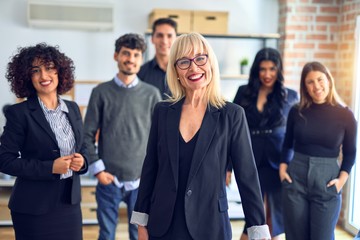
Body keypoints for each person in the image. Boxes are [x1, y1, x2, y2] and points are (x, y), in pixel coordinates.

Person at [130, 32, 271, 240]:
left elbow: (247, 176)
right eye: (184, 62)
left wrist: (258, 230)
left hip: (210, 225)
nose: (194, 68)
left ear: (210, 63)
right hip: (163, 225)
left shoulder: (231, 114)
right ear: (176, 70)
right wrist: (142, 221)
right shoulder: (163, 111)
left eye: (200, 58)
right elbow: (151, 166)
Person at [0, 43, 88, 240]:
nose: (44, 76)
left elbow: (83, 147)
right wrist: (49, 167)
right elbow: (5, 160)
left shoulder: (73, 109)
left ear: (59, 71)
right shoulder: (19, 113)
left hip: (69, 204)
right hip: (33, 207)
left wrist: (82, 162)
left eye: (49, 68)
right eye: (35, 70)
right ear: (27, 77)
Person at [83, 33, 161, 240]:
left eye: (136, 55)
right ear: (116, 56)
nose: (131, 59)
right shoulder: (100, 92)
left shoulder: (152, 94)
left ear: (141, 59)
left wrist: (152, 174)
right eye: (126, 53)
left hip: (141, 182)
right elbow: (87, 135)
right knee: (106, 235)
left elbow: (160, 140)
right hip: (109, 180)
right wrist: (98, 171)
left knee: (139, 235)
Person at [279, 61, 357, 240]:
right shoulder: (296, 111)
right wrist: (283, 170)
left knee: (322, 237)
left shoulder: (345, 115)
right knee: (296, 236)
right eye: (310, 82)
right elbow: (287, 143)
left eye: (320, 80)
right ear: (305, 86)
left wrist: (341, 182)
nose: (316, 86)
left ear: (329, 80)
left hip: (327, 180)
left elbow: (351, 152)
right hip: (295, 179)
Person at [233, 48, 298, 240]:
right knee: (253, 212)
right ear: (256, 70)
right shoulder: (244, 92)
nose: (267, 74)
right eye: (263, 69)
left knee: (273, 218)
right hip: (249, 157)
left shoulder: (290, 96)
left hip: (279, 161)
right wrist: (228, 165)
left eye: (272, 69)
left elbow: (295, 134)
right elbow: (233, 129)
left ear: (278, 70)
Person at [137, 18, 177, 99]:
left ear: (176, 39)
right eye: (160, 35)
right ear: (152, 39)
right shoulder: (141, 73)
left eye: (169, 36)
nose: (164, 41)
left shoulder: (184, 71)